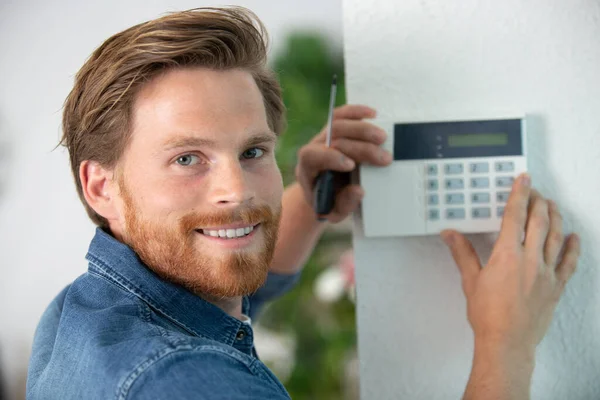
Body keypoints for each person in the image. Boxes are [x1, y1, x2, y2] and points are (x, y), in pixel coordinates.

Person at [26, 7, 580, 400]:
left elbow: (232, 287)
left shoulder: (83, 314)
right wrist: (506, 343)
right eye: (187, 159)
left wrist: (311, 203)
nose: (237, 191)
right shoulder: (179, 380)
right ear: (100, 187)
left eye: (252, 151)